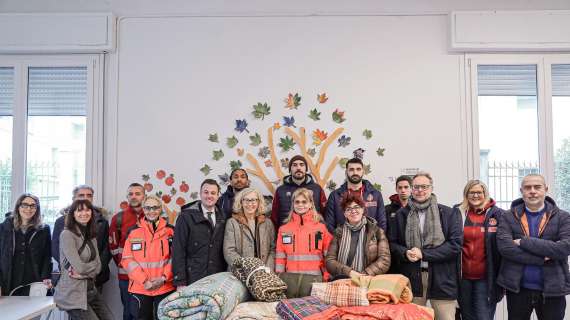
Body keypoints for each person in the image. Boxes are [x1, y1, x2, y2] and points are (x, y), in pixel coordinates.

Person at [389, 172, 462, 320]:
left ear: (431, 188)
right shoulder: (401, 215)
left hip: (442, 277)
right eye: (416, 187)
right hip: (413, 278)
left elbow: (455, 246)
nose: (420, 190)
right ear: (411, 189)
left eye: (424, 186)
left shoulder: (449, 213)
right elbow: (392, 243)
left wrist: (424, 254)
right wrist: (405, 253)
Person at [497, 174, 570, 320]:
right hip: (518, 289)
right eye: (527, 187)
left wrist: (524, 242)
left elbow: (564, 248)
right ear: (521, 190)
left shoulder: (563, 217)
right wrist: (543, 257)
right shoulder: (507, 216)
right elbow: (505, 248)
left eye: (537, 187)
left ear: (546, 189)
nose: (532, 191)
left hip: (553, 289)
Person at [54, 199, 113, 320]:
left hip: (90, 290)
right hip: (73, 292)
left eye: (87, 210)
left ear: (92, 213)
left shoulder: (91, 236)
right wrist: (91, 269)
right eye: (79, 210)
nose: (84, 213)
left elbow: (99, 266)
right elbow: (79, 267)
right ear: (73, 214)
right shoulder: (67, 235)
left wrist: (85, 273)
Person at [454, 180, 504, 320]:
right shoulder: (457, 213)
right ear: (466, 194)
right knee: (467, 316)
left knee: (484, 317)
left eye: (479, 192)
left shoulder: (497, 214)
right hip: (463, 279)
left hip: (486, 279)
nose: (475, 195)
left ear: (485, 194)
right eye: (472, 192)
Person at [122, 195, 175, 320]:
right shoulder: (134, 232)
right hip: (140, 288)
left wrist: (163, 278)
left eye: (155, 207)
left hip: (164, 287)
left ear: (160, 208)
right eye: (148, 208)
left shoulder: (171, 231)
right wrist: (144, 281)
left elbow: (176, 258)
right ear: (143, 209)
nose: (151, 211)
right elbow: (127, 259)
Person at [52, 185, 111, 292]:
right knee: (75, 307)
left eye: (89, 195)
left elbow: (106, 249)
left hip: (96, 277)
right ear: (74, 198)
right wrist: (73, 268)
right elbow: (56, 248)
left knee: (95, 306)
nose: (85, 198)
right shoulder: (61, 222)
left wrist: (94, 271)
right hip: (72, 276)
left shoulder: (102, 222)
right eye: (81, 195)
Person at [172, 179, 227, 287]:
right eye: (206, 192)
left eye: (213, 193)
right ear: (200, 194)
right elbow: (178, 250)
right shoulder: (186, 217)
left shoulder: (224, 217)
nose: (209, 196)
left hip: (217, 278)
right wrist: (180, 281)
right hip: (192, 278)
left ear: (218, 195)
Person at [326, 193, 391, 280]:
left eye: (356, 207)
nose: (353, 211)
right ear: (345, 214)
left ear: (363, 209)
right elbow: (329, 261)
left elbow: (385, 260)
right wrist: (349, 272)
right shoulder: (338, 233)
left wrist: (365, 275)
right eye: (348, 209)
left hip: (368, 282)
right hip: (343, 281)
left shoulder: (376, 231)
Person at [0, 194, 52, 296]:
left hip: (34, 281)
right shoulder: (3, 228)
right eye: (25, 205)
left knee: (35, 311)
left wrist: (46, 277)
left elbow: (47, 256)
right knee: (9, 311)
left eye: (33, 206)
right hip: (9, 280)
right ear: (18, 207)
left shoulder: (44, 229)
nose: (29, 209)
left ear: (37, 209)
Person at [275, 188, 332, 280]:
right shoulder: (284, 229)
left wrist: (326, 275)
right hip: (291, 280)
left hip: (316, 279)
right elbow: (280, 258)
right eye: (297, 202)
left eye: (304, 202)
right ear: (293, 204)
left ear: (310, 204)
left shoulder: (321, 228)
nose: (300, 205)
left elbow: (328, 256)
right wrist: (279, 277)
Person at [109, 183, 146, 320]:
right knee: (129, 312)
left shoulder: (153, 216)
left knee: (145, 312)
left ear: (144, 196)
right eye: (131, 194)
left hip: (149, 275)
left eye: (138, 193)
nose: (134, 197)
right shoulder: (118, 219)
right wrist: (124, 265)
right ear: (127, 197)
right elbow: (113, 248)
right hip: (126, 276)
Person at [325, 157, 386, 233]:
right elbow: (329, 225)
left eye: (358, 169)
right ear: (346, 172)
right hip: (342, 242)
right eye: (351, 169)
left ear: (363, 171)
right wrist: (339, 240)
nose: (355, 173)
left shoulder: (376, 194)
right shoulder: (335, 196)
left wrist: (375, 240)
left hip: (370, 242)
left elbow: (382, 223)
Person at [223, 187, 276, 270]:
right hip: (240, 273)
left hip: (263, 272)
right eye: (246, 200)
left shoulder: (268, 223)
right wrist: (247, 268)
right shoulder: (232, 223)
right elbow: (229, 251)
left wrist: (267, 269)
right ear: (241, 202)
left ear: (259, 202)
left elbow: (273, 249)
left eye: (254, 200)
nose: (250, 204)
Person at [271, 155, 327, 229]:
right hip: (287, 234)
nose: (298, 168)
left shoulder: (317, 189)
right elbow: (274, 216)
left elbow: (325, 213)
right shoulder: (280, 190)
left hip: (312, 233)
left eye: (302, 165)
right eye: (294, 165)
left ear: (306, 169)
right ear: (290, 169)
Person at [385, 175, 412, 274]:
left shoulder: (417, 209)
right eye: (400, 187)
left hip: (412, 256)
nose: (403, 190)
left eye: (406, 187)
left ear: (411, 188)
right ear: (396, 189)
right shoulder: (387, 209)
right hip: (393, 256)